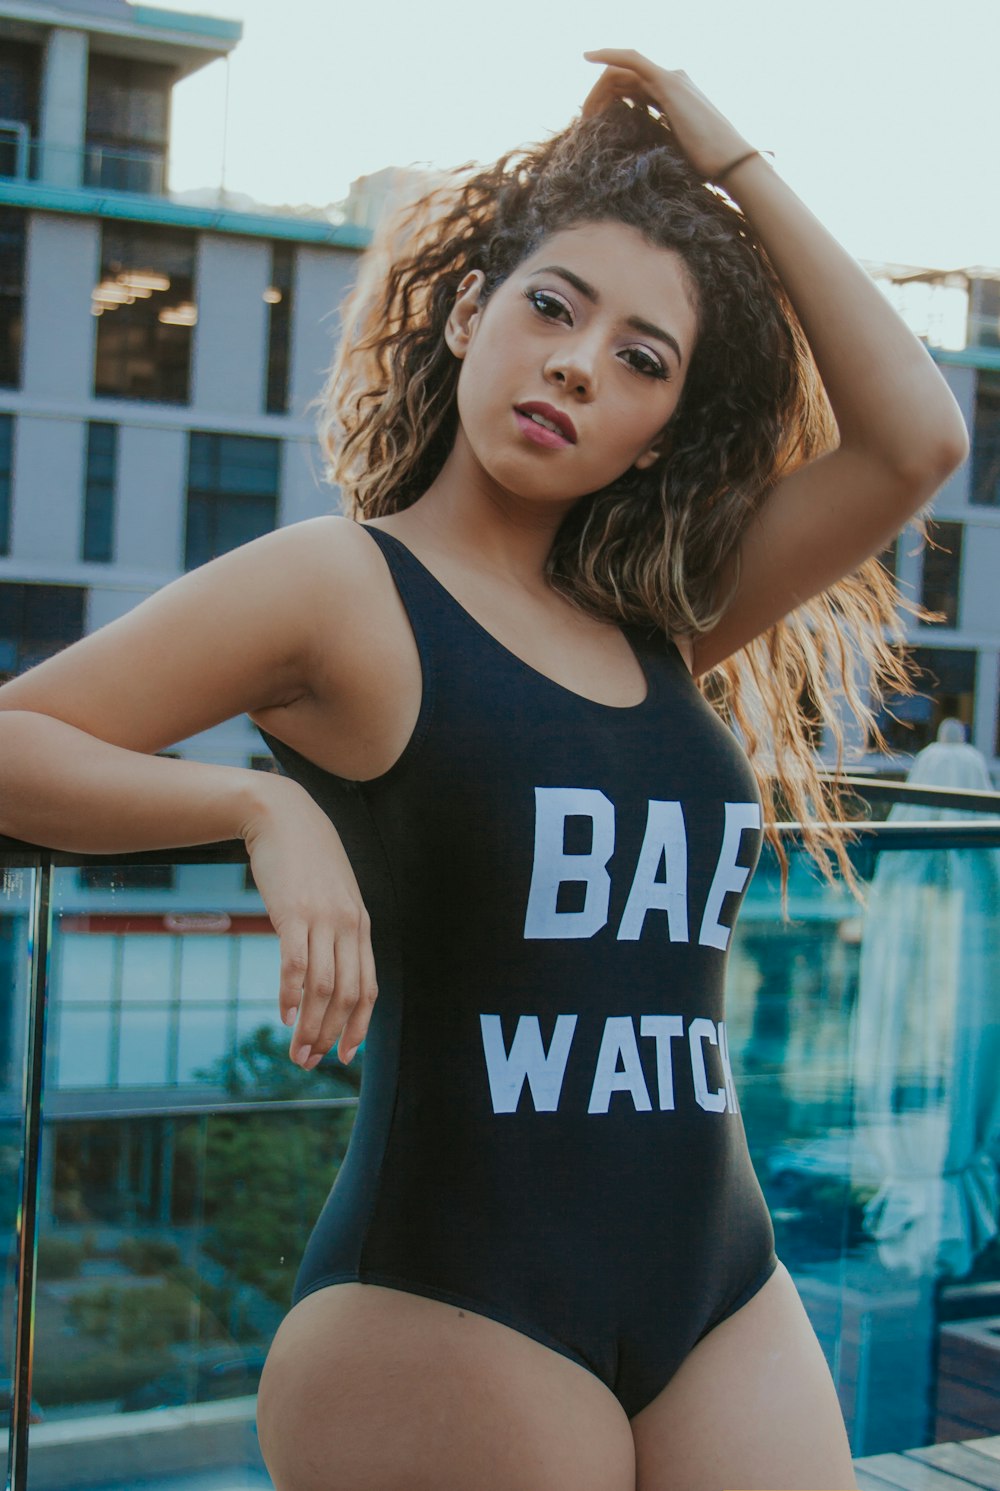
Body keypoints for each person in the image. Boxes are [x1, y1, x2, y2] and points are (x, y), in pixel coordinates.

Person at [0, 48, 969, 1491]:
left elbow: (916, 440)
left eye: (644, 359)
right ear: (470, 312)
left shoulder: (662, 621)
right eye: (553, 307)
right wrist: (257, 803)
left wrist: (728, 157)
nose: (581, 362)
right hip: (451, 1306)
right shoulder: (342, 586)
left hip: (722, 1289)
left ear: (657, 433)